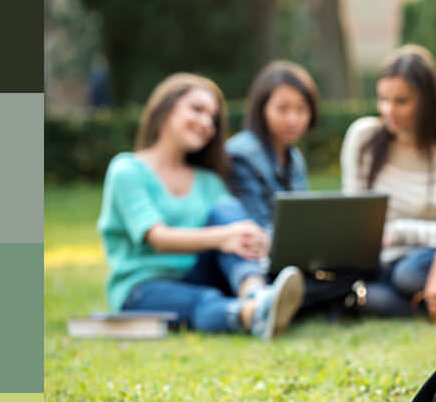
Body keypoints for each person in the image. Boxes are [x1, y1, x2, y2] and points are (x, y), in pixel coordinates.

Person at [96, 72, 304, 339]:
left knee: (227, 211)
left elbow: (230, 228)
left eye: (212, 118)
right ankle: (251, 313)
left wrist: (253, 238)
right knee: (205, 298)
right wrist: (224, 237)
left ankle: (256, 293)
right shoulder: (127, 171)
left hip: (197, 273)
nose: (206, 123)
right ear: (165, 108)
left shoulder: (207, 180)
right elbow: (157, 238)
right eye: (197, 110)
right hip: (143, 287)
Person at [340, 45, 436, 316]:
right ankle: (430, 306)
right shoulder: (363, 138)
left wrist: (399, 232)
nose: (388, 110)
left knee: (406, 275)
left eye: (401, 101)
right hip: (379, 264)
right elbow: (352, 214)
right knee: (360, 290)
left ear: (426, 101)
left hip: (426, 262)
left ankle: (426, 301)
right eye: (383, 99)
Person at [226, 61, 317, 227]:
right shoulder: (241, 154)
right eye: (282, 109)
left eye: (301, 109)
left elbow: (302, 219)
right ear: (262, 108)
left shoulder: (294, 157)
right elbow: (258, 224)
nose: (293, 119)